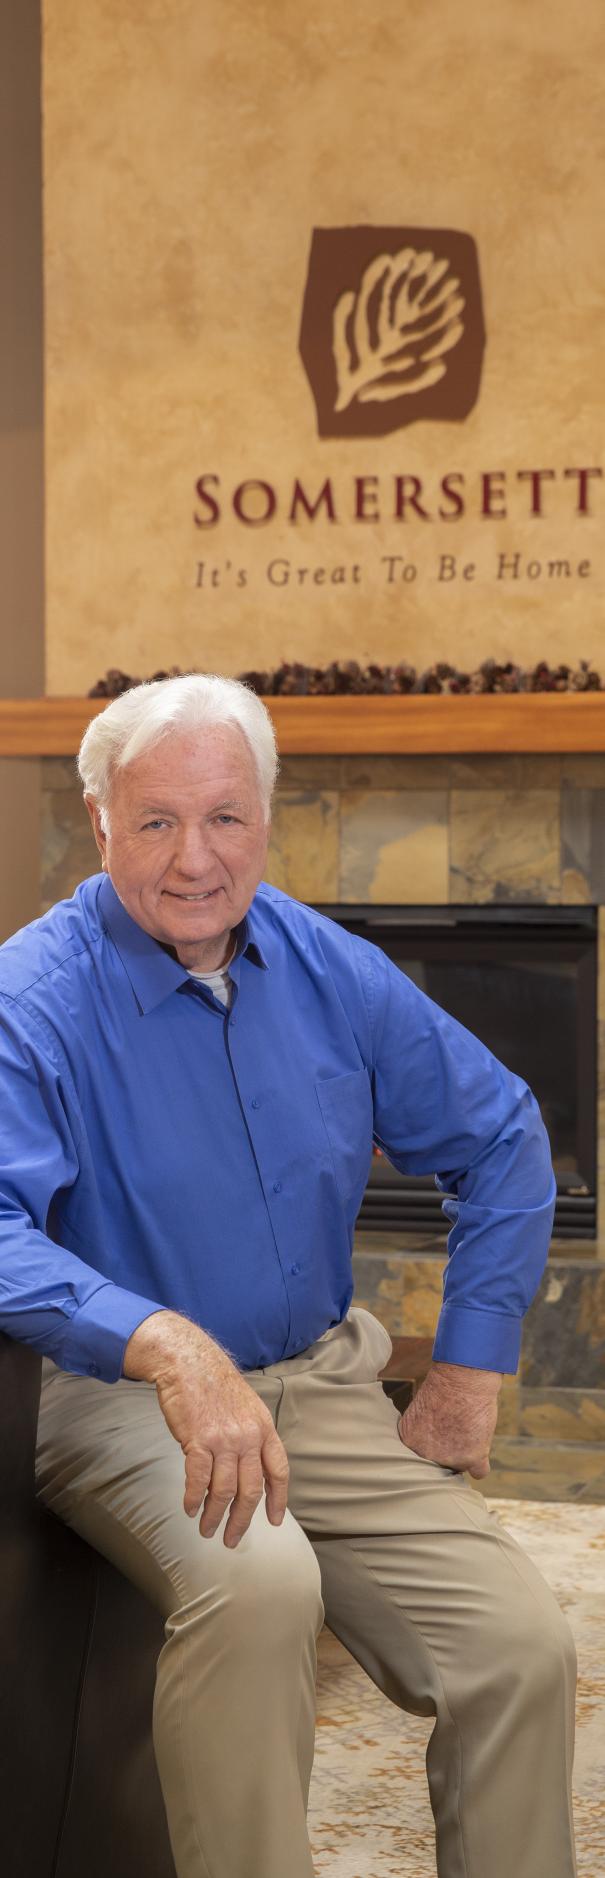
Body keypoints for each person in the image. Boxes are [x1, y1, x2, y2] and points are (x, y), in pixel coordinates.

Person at [0, 673, 577, 1878]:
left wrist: (466, 1367)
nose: (195, 858)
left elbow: (502, 1134)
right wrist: (166, 1345)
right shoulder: (31, 999)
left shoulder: (325, 964)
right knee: (261, 1590)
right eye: (156, 820)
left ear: (266, 816)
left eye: (225, 817)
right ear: (99, 822)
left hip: (316, 1382)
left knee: (517, 1646)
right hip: (124, 1400)